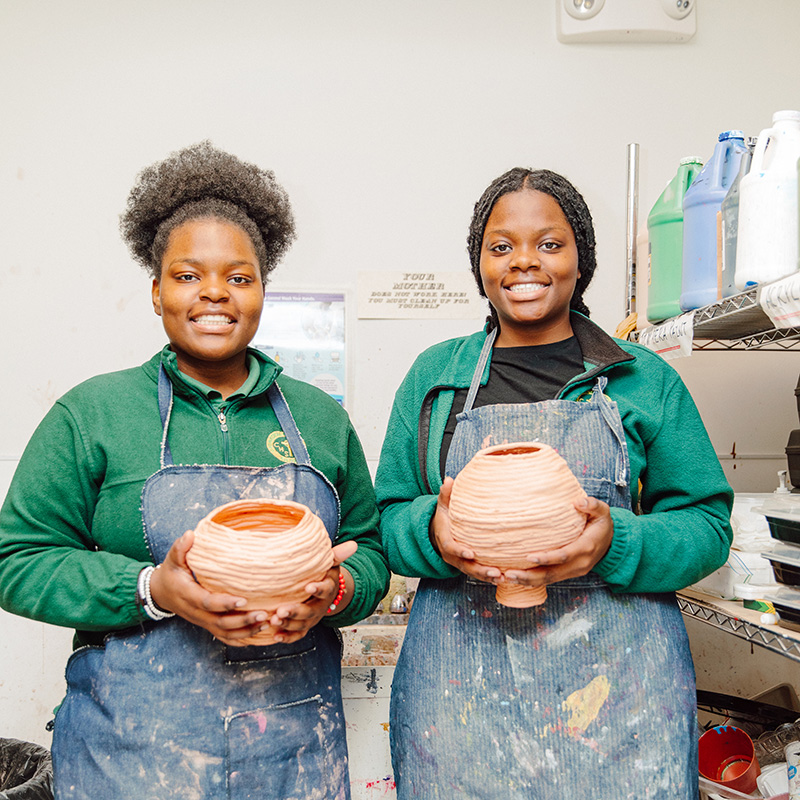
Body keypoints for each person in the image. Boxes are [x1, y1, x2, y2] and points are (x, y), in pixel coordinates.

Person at [0, 141, 389, 799]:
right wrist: (155, 589)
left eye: (239, 277)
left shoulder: (319, 419)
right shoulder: (92, 413)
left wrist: (339, 591)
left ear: (264, 290)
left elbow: (371, 553)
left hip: (291, 755)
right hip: (131, 759)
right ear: (155, 292)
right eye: (187, 275)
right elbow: (17, 559)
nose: (214, 293)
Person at [375, 167, 733, 799]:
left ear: (580, 258)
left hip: (617, 702)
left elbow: (706, 524)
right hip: (462, 702)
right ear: (480, 263)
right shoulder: (437, 377)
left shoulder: (641, 379)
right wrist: (433, 532)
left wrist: (613, 544)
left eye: (549, 243)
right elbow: (389, 518)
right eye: (501, 246)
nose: (524, 263)